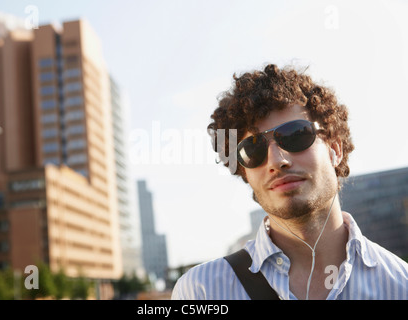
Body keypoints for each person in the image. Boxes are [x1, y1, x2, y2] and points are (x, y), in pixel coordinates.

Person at [171, 64, 408, 300]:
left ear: (335, 149)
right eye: (252, 150)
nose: (276, 161)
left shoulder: (401, 285)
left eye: (296, 134)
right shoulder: (201, 292)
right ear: (245, 172)